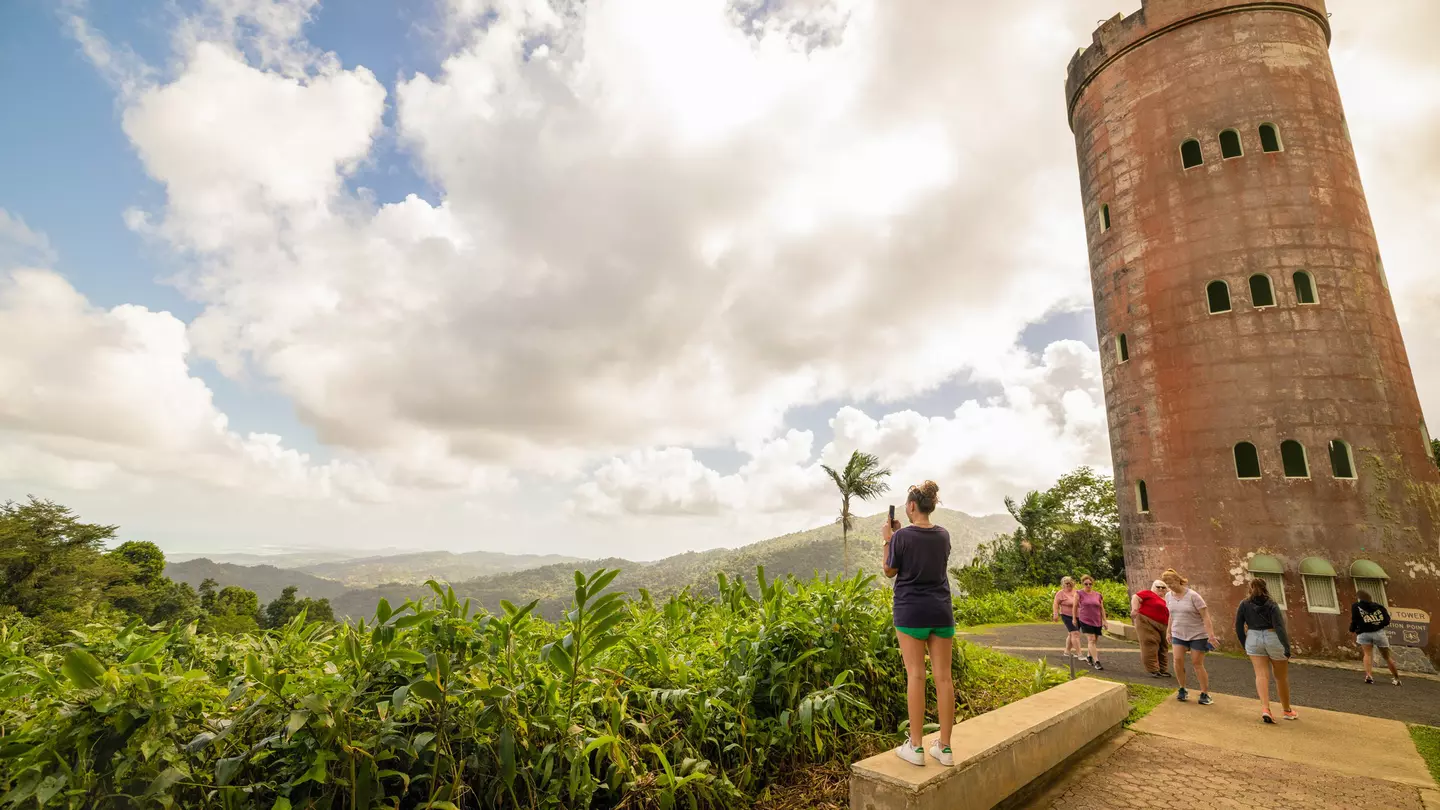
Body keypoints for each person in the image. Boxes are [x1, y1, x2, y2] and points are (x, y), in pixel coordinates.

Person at [882, 481, 955, 767]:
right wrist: (899, 536)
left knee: (916, 675)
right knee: (944, 678)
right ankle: (945, 749)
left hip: (911, 612)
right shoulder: (943, 535)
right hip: (941, 611)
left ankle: (916, 746)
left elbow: (889, 570)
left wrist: (888, 539)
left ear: (912, 505)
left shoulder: (900, 537)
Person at [1235, 578, 1295, 723]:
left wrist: (1245, 644)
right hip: (1272, 636)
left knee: (1261, 675)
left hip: (1253, 637)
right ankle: (1287, 710)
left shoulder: (1244, 604)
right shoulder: (1272, 604)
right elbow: (1279, 627)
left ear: (1250, 588)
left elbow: (1238, 626)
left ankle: (1265, 709)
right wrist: (1286, 647)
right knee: (1280, 677)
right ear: (1265, 588)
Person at [1163, 568, 1218, 705]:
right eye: (1167, 585)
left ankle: (1205, 693)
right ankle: (1182, 689)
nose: (1170, 587)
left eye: (1171, 583)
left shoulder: (1193, 596)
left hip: (1197, 634)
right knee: (1177, 660)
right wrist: (1168, 631)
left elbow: (1205, 616)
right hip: (1178, 633)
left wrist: (1211, 636)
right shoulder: (1168, 596)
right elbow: (1171, 615)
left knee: (1196, 663)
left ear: (1177, 580)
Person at [1350, 590, 1401, 686]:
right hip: (1379, 633)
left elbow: (1354, 620)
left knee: (1367, 654)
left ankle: (1369, 676)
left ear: (1360, 598)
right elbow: (1387, 620)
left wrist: (1352, 629)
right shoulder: (1379, 607)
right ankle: (1397, 679)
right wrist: (1377, 625)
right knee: (1387, 657)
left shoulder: (1355, 606)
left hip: (1364, 633)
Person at [1131, 579, 1170, 678]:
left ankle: (1163, 669)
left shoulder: (1169, 598)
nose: (1160, 589)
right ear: (1153, 587)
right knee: (1150, 643)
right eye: (1158, 587)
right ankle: (1153, 669)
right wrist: (1134, 609)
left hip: (1164, 625)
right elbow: (1136, 597)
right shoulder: (1148, 593)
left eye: (1163, 587)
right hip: (1146, 621)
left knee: (1164, 646)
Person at [1075, 575, 1106, 670]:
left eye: (1090, 584)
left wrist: (1104, 620)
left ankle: (1089, 656)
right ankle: (1096, 661)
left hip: (1097, 620)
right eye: (1086, 584)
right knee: (1091, 639)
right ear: (1082, 584)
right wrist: (1074, 618)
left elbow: (1102, 608)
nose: (1088, 585)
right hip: (1085, 619)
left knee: (1094, 640)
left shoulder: (1098, 595)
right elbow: (1075, 606)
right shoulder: (1079, 593)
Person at [1051, 576, 1083, 662]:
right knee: (1075, 633)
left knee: (1071, 634)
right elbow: (1055, 604)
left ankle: (1067, 652)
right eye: (1066, 583)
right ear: (1063, 584)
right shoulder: (1060, 593)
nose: (1069, 584)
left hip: (1078, 616)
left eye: (1070, 583)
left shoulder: (1077, 592)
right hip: (1067, 615)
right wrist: (1055, 614)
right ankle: (1080, 654)